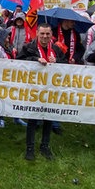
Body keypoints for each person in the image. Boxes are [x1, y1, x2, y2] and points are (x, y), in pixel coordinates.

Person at [17, 23, 66, 160]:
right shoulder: (29, 47)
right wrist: (35, 60)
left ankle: (45, 146)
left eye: (48, 34)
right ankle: (30, 148)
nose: (45, 37)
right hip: (34, 90)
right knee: (32, 119)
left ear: (51, 35)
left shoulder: (56, 49)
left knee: (48, 118)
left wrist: (57, 61)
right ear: (37, 33)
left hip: (51, 90)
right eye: (42, 33)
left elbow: (67, 64)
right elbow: (17, 62)